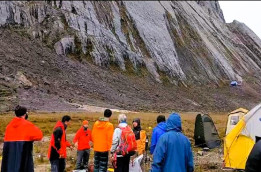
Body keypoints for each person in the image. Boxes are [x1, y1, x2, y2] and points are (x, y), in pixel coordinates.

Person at [1, 105, 43, 172]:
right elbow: (39, 135)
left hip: (9, 161)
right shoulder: (28, 125)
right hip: (23, 159)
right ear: (25, 114)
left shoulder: (8, 126)